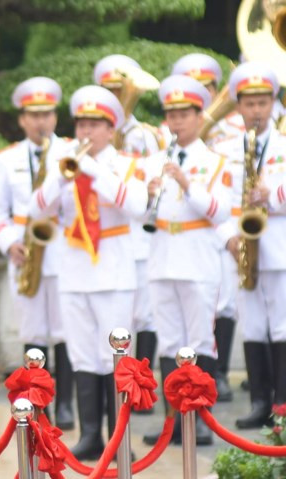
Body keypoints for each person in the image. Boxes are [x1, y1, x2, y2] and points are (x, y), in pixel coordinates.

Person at [28, 85, 147, 460]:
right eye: (81, 123)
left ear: (111, 130)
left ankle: (118, 437)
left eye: (95, 124)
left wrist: (92, 171)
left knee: (115, 357)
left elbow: (138, 207)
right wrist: (61, 178)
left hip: (113, 271)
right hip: (75, 270)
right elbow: (36, 210)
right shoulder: (64, 163)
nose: (86, 131)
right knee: (82, 356)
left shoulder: (126, 163)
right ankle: (91, 433)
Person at [140, 75, 231, 447]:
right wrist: (148, 197)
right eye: (171, 114)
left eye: (184, 114)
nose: (176, 121)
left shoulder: (214, 161)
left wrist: (188, 183)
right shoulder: (153, 161)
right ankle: (173, 421)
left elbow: (220, 210)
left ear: (199, 116)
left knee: (199, 340)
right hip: (162, 256)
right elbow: (140, 216)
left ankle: (202, 420)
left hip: (197, 258)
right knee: (169, 342)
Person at [0, 76, 74, 429]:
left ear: (55, 117)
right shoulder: (6, 159)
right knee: (33, 332)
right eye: (33, 115)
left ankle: (67, 404)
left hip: (64, 251)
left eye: (47, 114)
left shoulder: (71, 153)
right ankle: (41, 404)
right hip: (26, 254)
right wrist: (10, 243)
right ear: (22, 119)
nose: (41, 121)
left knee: (66, 332)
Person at [213, 61, 286, 430]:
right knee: (253, 326)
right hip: (242, 248)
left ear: (274, 102)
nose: (256, 111)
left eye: (263, 102)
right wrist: (229, 236)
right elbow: (218, 201)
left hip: (279, 246)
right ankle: (260, 401)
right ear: (238, 106)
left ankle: (282, 403)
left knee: (283, 327)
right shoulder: (225, 149)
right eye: (249, 104)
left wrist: (271, 195)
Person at [171, 52, 237, 402]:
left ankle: (216, 382)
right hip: (175, 245)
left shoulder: (227, 139)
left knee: (218, 311)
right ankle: (176, 410)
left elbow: (223, 202)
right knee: (174, 331)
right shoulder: (165, 144)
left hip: (216, 234)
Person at [93, 54, 160, 370]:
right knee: (117, 318)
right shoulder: (92, 138)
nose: (116, 98)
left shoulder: (144, 135)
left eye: (120, 91)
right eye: (108, 91)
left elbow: (150, 182)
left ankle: (142, 379)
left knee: (144, 313)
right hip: (110, 235)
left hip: (138, 233)